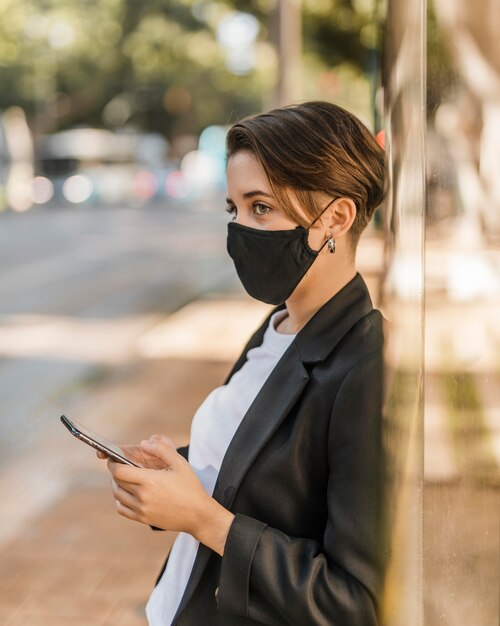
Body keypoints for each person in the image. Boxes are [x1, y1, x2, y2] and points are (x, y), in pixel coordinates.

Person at [99, 101, 389, 625]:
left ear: (337, 219)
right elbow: (265, 468)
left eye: (261, 207)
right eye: (233, 209)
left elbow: (352, 604)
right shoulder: (279, 325)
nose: (240, 230)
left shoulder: (365, 368)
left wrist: (200, 517)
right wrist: (173, 475)